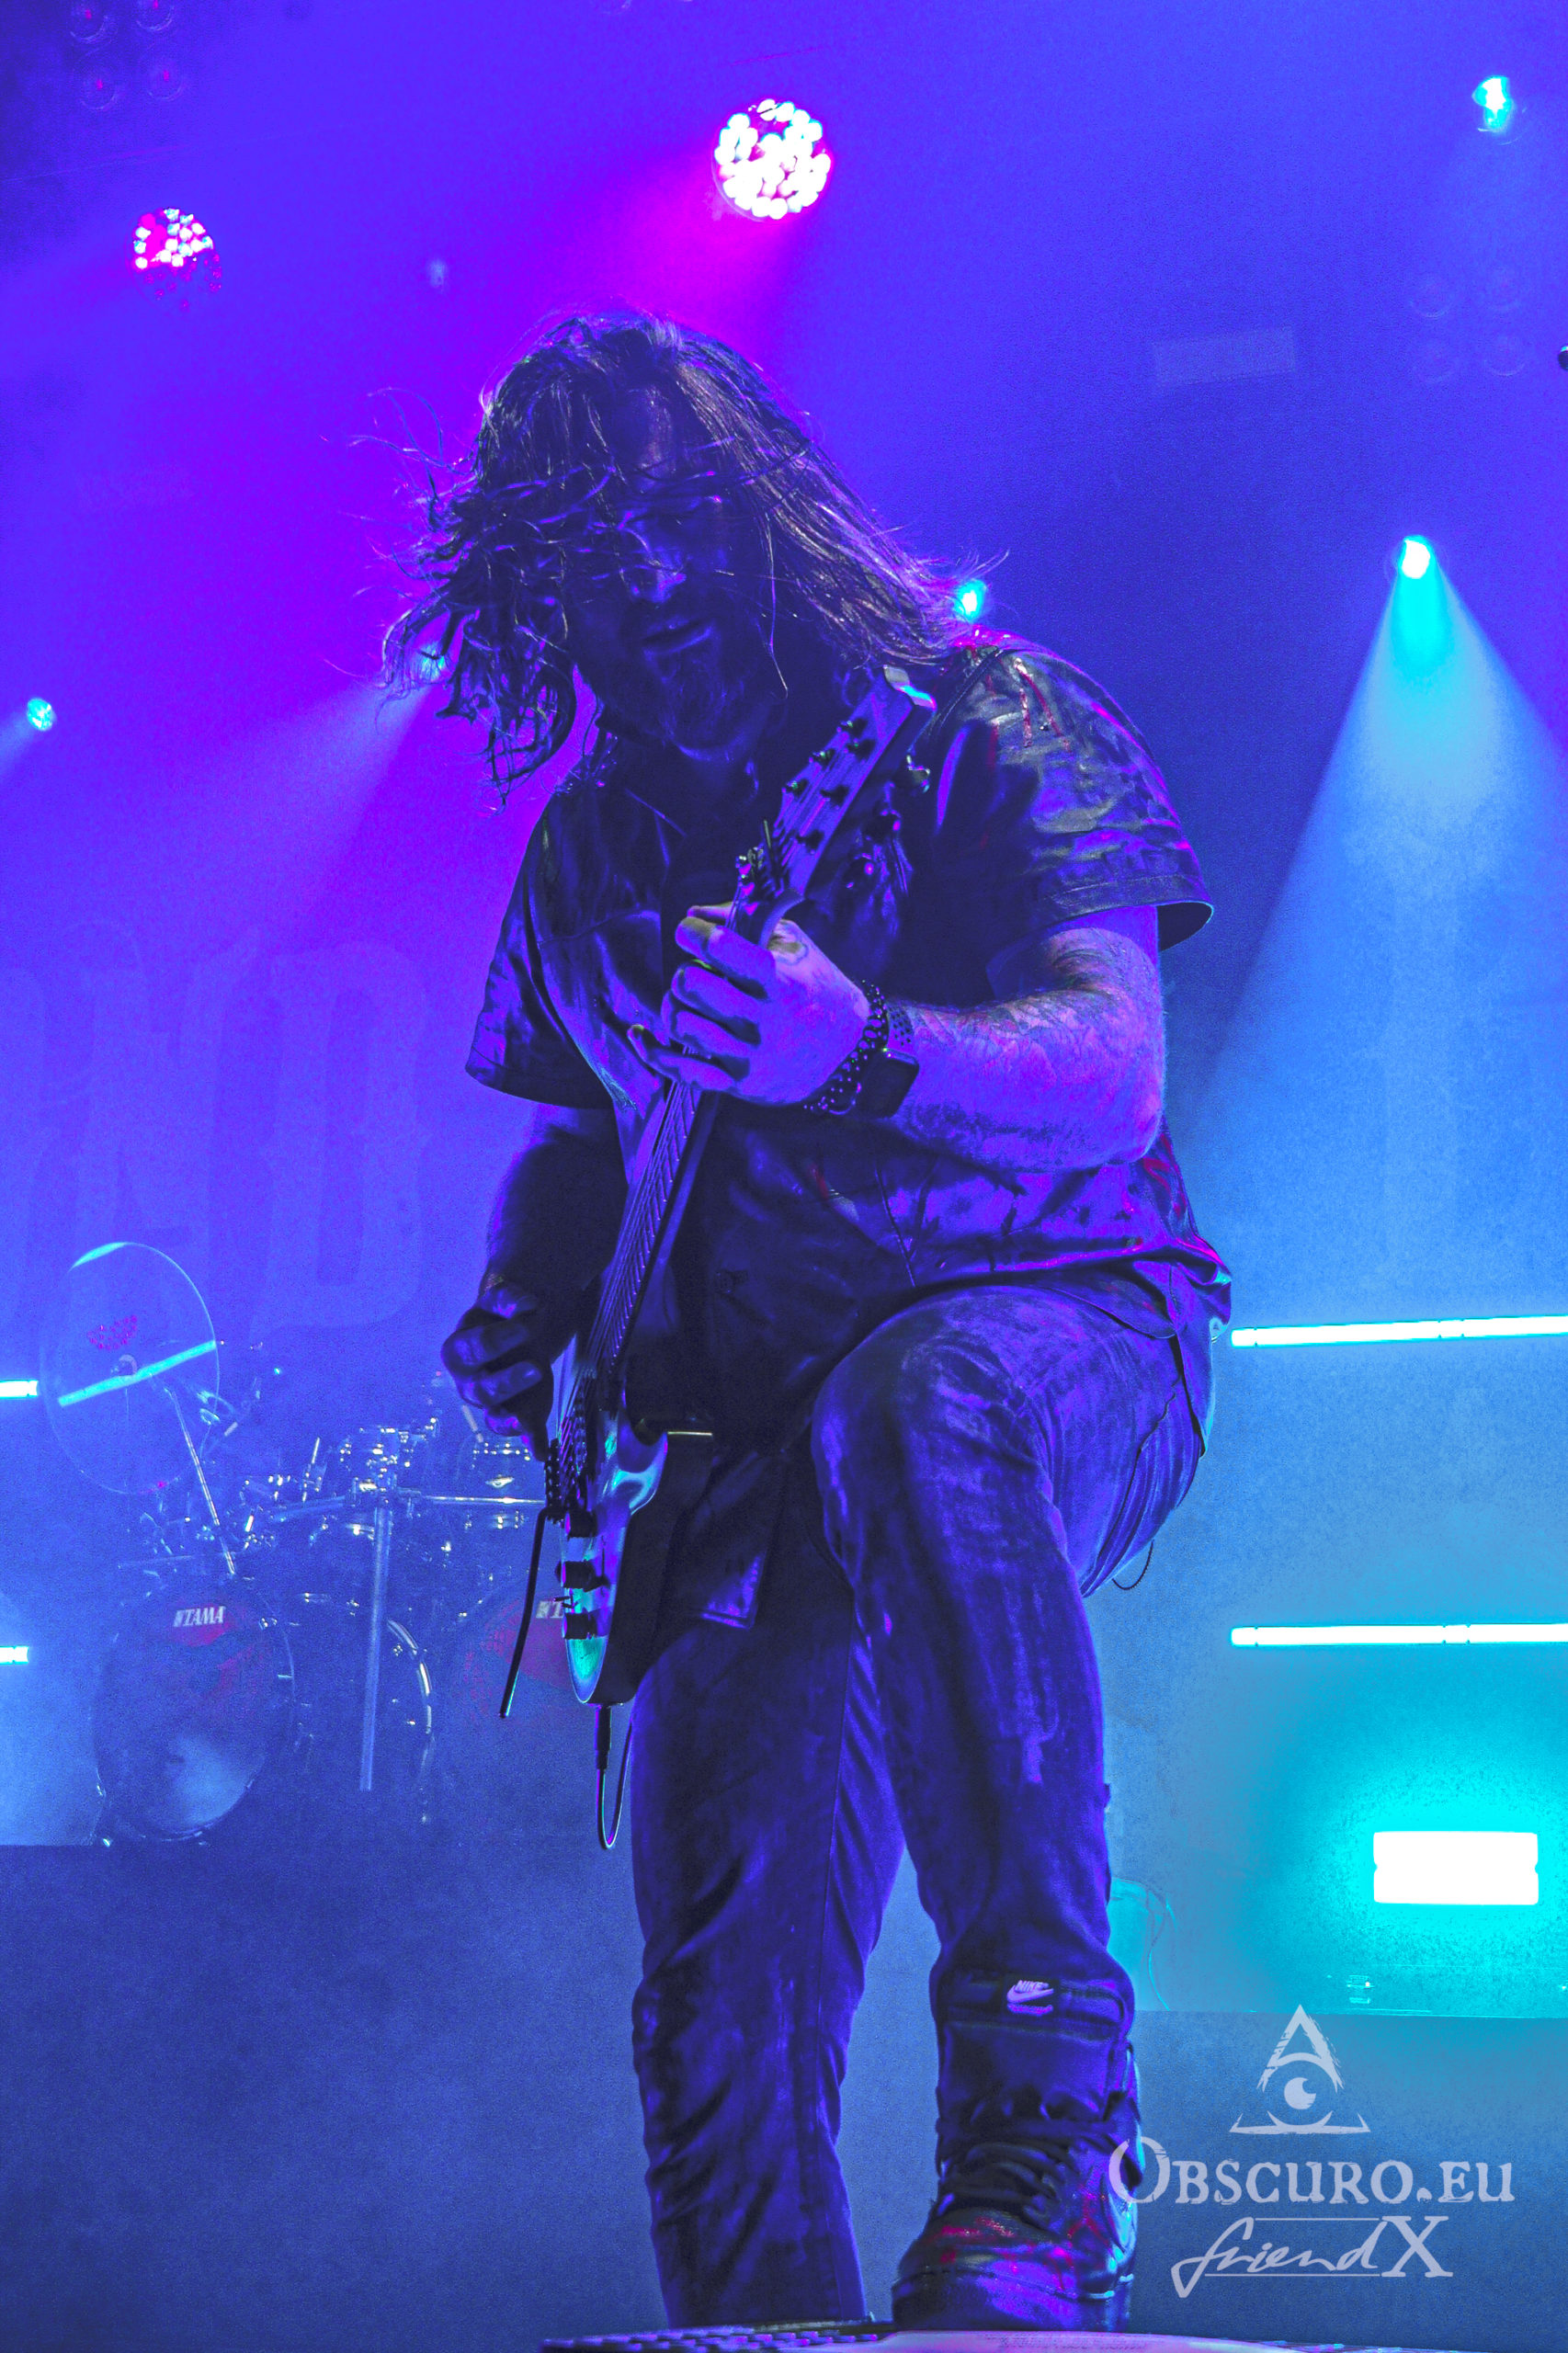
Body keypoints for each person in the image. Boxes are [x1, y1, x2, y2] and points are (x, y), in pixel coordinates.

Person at [392, 313, 1229, 2335]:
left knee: (922, 1402)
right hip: (744, 1440)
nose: (653, 578)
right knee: (716, 1997)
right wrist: (524, 1290)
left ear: (765, 509)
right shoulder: (586, 848)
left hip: (1054, 1335)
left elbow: (1112, 1069)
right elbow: (584, 1137)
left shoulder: (981, 719)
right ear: (531, 587)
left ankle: (1048, 2136)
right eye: (593, 549)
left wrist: (855, 1050)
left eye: (682, 516)